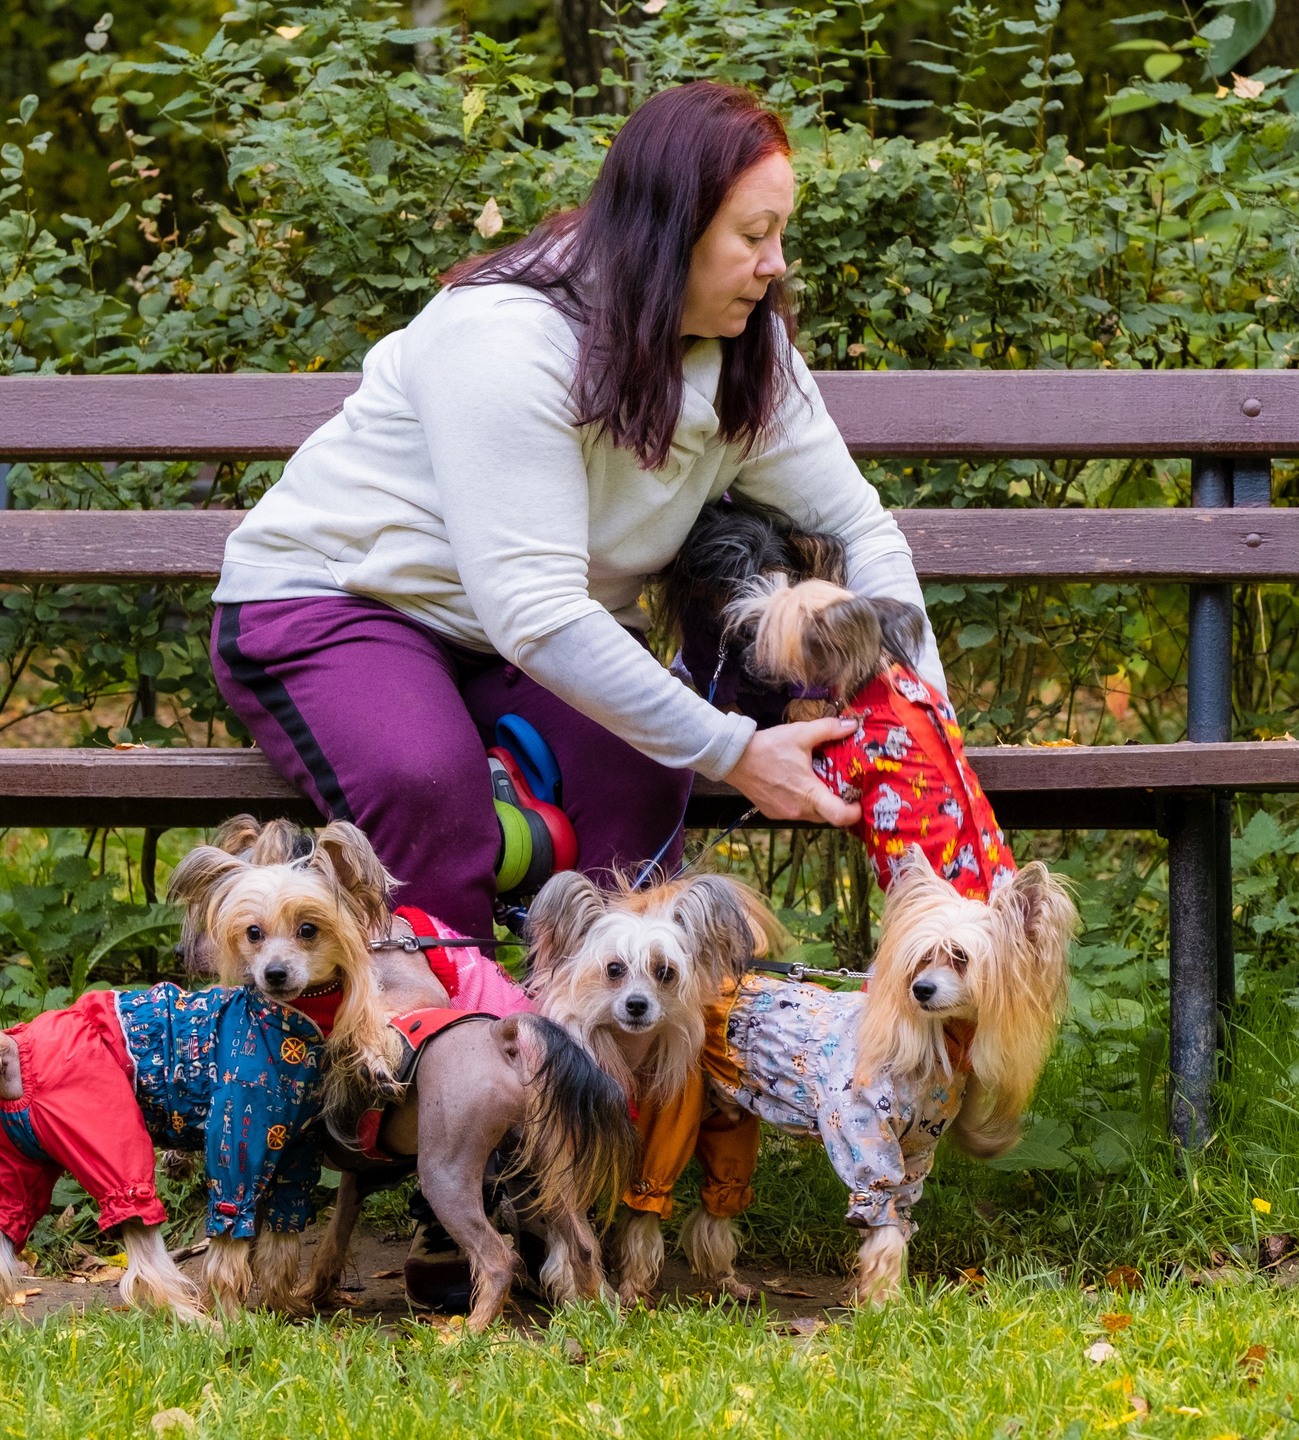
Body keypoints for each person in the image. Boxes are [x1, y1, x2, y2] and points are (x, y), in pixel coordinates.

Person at [210, 80, 946, 939]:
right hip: (343, 603)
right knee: (428, 787)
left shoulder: (748, 346)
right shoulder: (506, 338)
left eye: (780, 233)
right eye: (754, 236)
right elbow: (538, 611)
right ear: (672, 233)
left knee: (641, 773)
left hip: (514, 637)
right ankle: (445, 1045)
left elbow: (861, 529)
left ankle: (607, 1054)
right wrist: (736, 752)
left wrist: (923, 705)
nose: (776, 262)